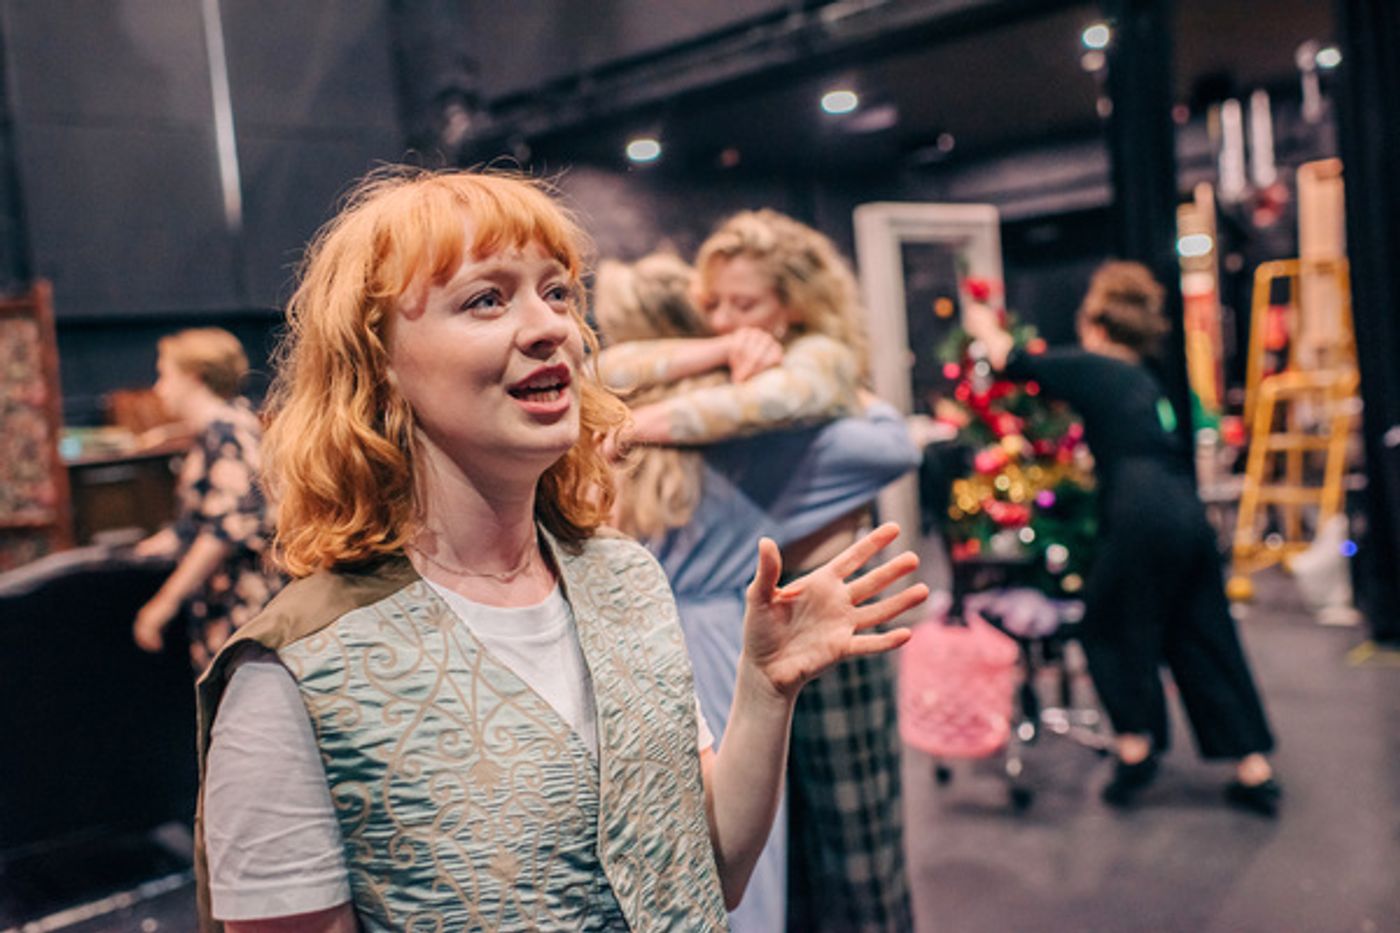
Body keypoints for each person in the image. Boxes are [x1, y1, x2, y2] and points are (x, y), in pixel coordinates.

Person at [192, 168, 928, 932]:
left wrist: (764, 690)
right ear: (377, 356)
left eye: (559, 293)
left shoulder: (627, 578)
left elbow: (711, 873)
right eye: (486, 298)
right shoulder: (297, 668)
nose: (551, 329)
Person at [598, 213, 916, 932]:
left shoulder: (761, 411)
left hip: (713, 636)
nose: (726, 320)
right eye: (713, 306)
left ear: (794, 306)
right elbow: (892, 443)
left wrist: (633, 423)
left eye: (745, 306)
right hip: (729, 639)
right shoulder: (767, 435)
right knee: (759, 848)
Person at [963, 260, 1281, 815]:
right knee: (1200, 627)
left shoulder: (1100, 367)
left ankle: (1135, 751)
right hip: (1184, 508)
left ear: (1098, 323)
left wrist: (983, 325)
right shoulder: (1145, 377)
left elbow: (1013, 363)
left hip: (1139, 513)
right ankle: (1253, 766)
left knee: (1109, 623)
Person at [131, 327, 282, 671]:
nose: (158, 388)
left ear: (194, 378)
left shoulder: (225, 433)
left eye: (165, 375)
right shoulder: (227, 428)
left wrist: (163, 604)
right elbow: (206, 519)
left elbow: (225, 530)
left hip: (245, 609)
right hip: (231, 607)